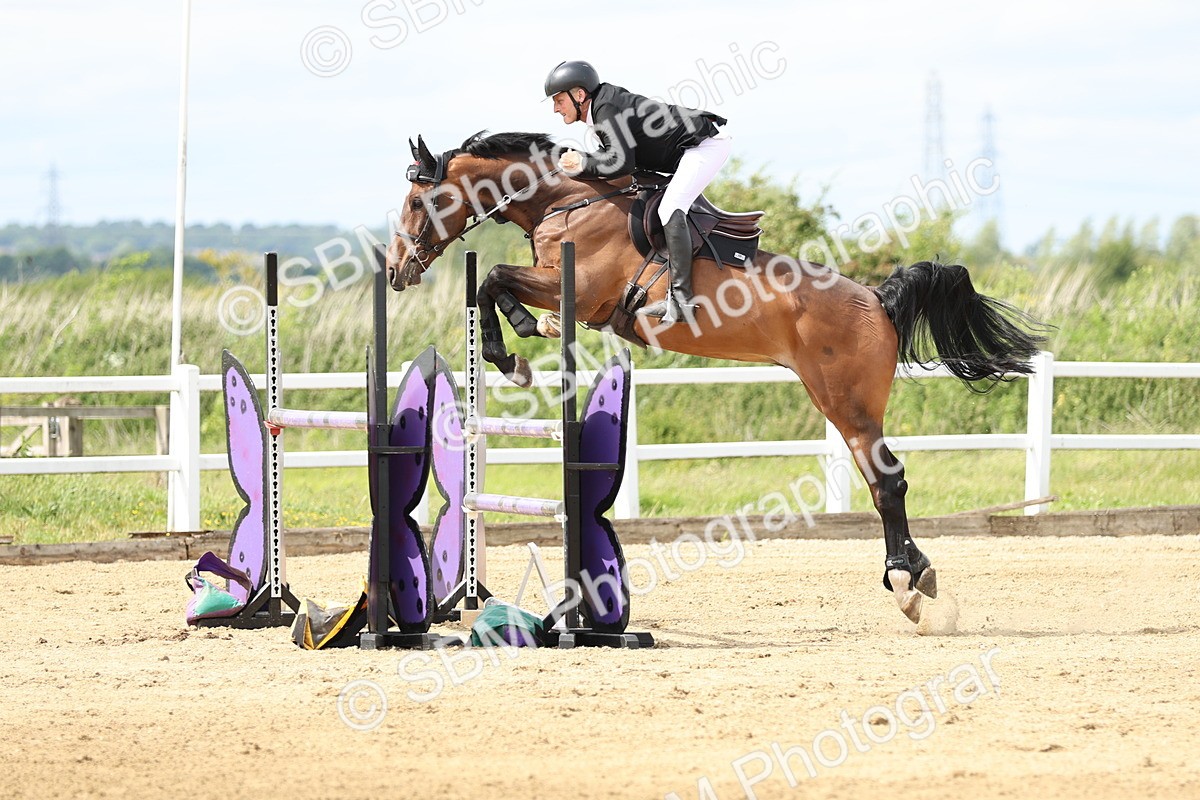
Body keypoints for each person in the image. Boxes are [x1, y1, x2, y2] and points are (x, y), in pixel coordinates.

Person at [545, 60, 732, 326]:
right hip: (683, 152)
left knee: (670, 207)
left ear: (580, 95)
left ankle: (681, 301)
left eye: (559, 100)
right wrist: (580, 163)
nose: (555, 108)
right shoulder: (599, 110)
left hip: (703, 146)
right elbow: (613, 159)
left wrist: (583, 163)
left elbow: (621, 163)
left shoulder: (606, 109)